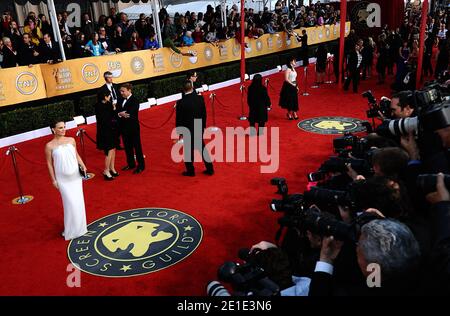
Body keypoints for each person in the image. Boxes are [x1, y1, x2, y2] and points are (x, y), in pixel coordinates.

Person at [45, 121, 88, 240]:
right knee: (70, 204)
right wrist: (53, 180)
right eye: (60, 128)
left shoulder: (71, 140)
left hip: (75, 177)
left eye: (64, 127)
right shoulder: (49, 146)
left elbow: (76, 154)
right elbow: (49, 164)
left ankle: (80, 228)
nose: (63, 129)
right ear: (53, 129)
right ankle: (70, 229)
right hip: (63, 180)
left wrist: (83, 165)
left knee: (78, 202)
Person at [176, 80, 214, 177]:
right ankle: (210, 169)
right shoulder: (200, 98)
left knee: (188, 151)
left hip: (187, 129)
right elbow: (204, 114)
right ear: (192, 88)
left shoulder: (180, 103)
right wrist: (203, 126)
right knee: (202, 148)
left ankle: (190, 171)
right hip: (198, 126)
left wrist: (179, 132)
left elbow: (179, 119)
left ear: (183, 90)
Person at [116, 83, 145, 174]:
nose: (121, 93)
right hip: (123, 128)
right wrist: (120, 114)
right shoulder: (120, 99)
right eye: (120, 91)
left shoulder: (135, 100)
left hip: (133, 128)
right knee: (127, 147)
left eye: (123, 91)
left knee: (137, 147)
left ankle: (141, 166)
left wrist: (121, 114)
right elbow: (117, 111)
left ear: (129, 90)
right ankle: (131, 164)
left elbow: (130, 114)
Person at [95, 91, 119, 181]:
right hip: (105, 131)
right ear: (105, 97)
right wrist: (113, 110)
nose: (110, 97)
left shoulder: (108, 104)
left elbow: (113, 115)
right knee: (109, 150)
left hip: (112, 130)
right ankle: (106, 170)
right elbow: (105, 119)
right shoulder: (98, 106)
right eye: (109, 96)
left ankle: (112, 168)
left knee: (113, 148)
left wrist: (113, 108)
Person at [98, 71, 122, 150]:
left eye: (112, 77)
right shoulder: (102, 89)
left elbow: (120, 96)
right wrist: (106, 102)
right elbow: (100, 102)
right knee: (112, 127)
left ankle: (117, 144)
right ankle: (112, 144)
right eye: (109, 77)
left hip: (118, 108)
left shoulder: (116, 86)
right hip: (109, 111)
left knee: (119, 127)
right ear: (105, 78)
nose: (111, 78)